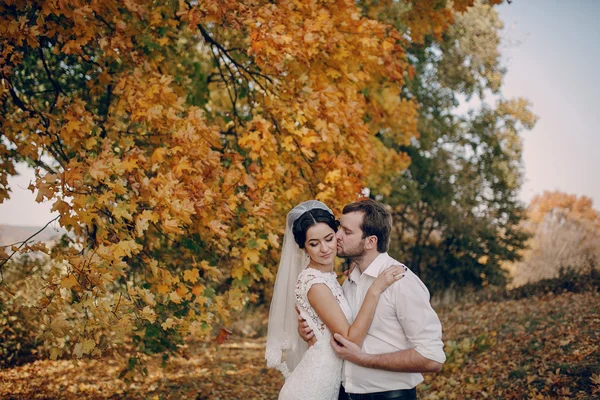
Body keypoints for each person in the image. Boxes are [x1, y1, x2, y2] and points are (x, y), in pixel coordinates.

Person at [298, 198, 446, 400]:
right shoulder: (348, 280)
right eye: (340, 228)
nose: (337, 236)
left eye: (347, 232)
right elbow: (340, 329)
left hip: (388, 396)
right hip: (342, 393)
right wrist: (313, 328)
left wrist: (364, 359)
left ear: (370, 241)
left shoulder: (401, 281)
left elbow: (432, 358)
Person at [266, 200, 406, 400]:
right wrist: (375, 289)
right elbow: (351, 339)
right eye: (314, 244)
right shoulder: (315, 284)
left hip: (332, 386)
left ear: (337, 236)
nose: (324, 248)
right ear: (304, 248)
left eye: (329, 238)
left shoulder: (328, 278)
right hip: (313, 389)